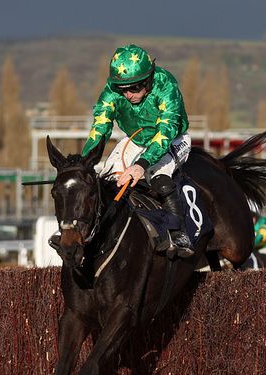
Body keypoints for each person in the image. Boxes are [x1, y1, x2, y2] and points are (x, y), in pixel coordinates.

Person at [81, 44, 193, 258]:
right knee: (107, 178)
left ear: (148, 79)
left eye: (134, 88)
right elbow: (100, 127)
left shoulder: (166, 85)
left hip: (172, 138)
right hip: (135, 139)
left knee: (157, 176)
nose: (128, 95)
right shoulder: (112, 91)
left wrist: (141, 165)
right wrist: (84, 162)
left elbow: (166, 131)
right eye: (123, 89)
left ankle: (179, 234)